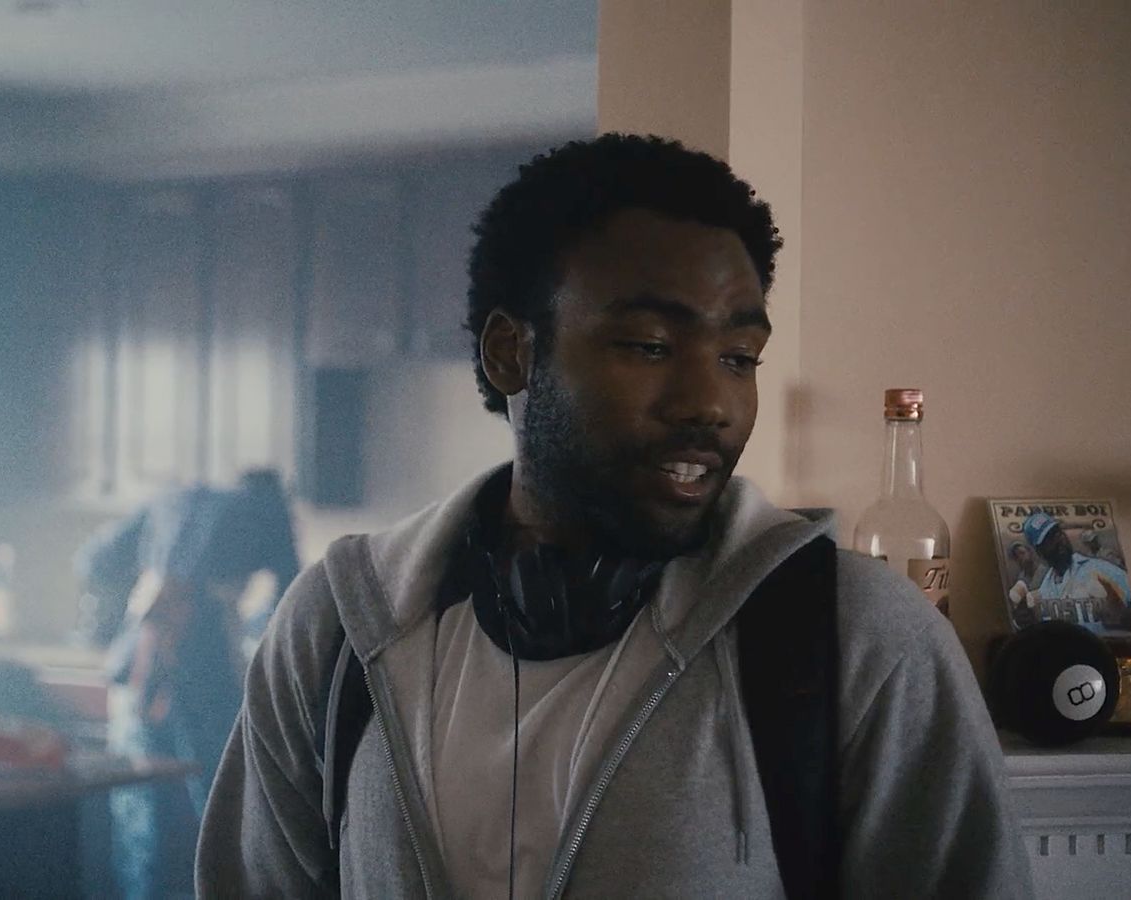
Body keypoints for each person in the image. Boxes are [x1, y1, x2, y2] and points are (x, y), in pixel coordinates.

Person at [196, 135, 1033, 897]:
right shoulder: (336, 631)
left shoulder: (859, 637)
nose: (712, 403)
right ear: (510, 351)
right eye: (649, 346)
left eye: (740, 358)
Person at [76, 469, 299, 899]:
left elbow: (93, 560)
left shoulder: (172, 496)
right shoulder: (268, 508)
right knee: (220, 819)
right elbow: (293, 597)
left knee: (138, 818)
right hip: (205, 674)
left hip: (137, 670)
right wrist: (248, 623)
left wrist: (143, 595)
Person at [1024, 511, 1131, 634]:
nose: (1058, 540)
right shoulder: (1044, 591)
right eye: (1049, 539)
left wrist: (1121, 613)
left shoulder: (1099, 569)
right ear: (1040, 552)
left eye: (1058, 533)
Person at [1005, 541, 1050, 627]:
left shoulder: (1046, 572)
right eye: (1016, 557)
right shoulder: (1021, 578)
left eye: (1022, 553)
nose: (1020, 558)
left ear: (1030, 552)